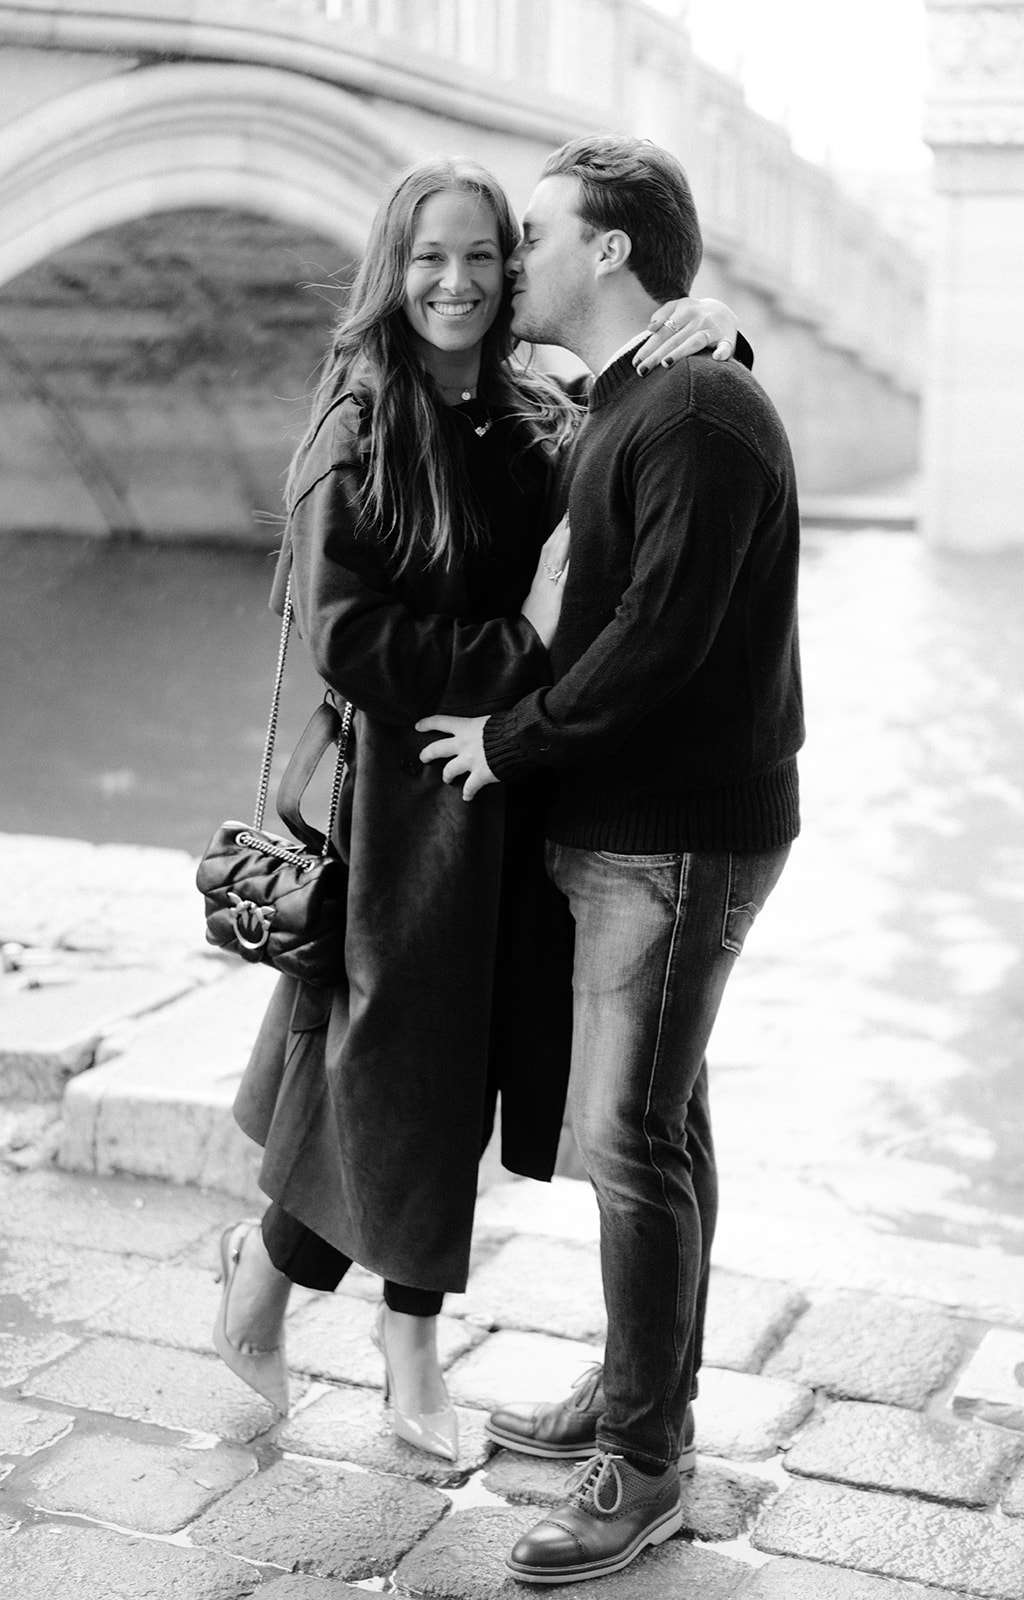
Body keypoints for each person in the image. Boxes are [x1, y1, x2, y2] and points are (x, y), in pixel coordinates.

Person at [211, 154, 742, 1465]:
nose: (454, 282)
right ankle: (403, 1349)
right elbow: (351, 643)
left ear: (512, 271)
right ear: (394, 273)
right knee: (400, 1081)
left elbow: (664, 467)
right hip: (398, 809)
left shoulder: (542, 412)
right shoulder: (358, 427)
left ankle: (271, 1280)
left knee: (442, 1085)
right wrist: (519, 645)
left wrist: (723, 344)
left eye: (482, 256)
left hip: (508, 801)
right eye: (428, 257)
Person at [417, 133, 803, 1579]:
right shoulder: (647, 390)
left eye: (533, 232)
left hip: (675, 837)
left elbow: (659, 637)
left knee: (628, 1144)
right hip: (643, 827)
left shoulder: (693, 406)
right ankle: (646, 1401)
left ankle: (642, 1466)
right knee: (662, 1128)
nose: (512, 259)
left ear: (611, 252)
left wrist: (508, 742)